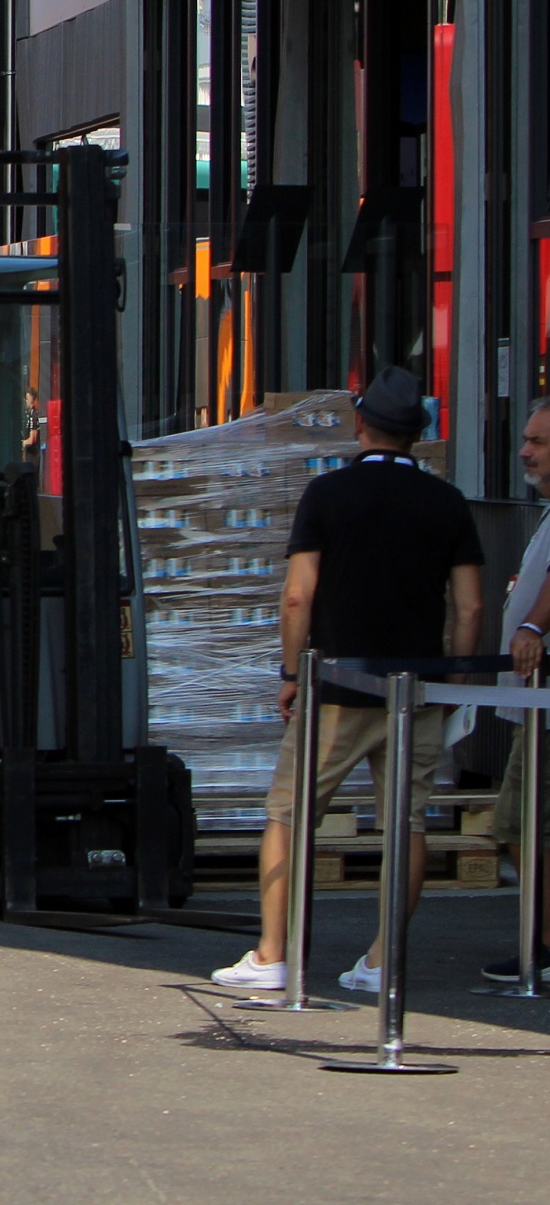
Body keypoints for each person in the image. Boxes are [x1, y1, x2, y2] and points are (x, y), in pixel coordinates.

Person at [210, 367, 484, 999]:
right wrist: (455, 678)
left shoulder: (327, 495)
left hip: (338, 685)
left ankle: (273, 954)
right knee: (407, 822)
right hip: (417, 689)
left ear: (359, 423)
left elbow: (297, 598)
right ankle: (383, 959)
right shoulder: (448, 502)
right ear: (419, 432)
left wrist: (288, 671)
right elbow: (469, 608)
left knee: (290, 814)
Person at [483, 399, 550, 980]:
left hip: (545, 708)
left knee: (518, 823)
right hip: (534, 703)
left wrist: (534, 624)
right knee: (520, 824)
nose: (525, 450)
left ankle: (544, 944)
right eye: (527, 439)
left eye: (539, 441)